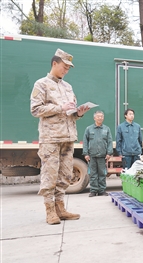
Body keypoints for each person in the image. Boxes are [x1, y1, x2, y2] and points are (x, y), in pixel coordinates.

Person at [30, 48, 90, 225]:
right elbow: (35, 110)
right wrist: (60, 108)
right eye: (64, 66)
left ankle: (60, 208)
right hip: (51, 138)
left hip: (68, 137)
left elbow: (69, 112)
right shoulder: (41, 84)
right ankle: (50, 211)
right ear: (54, 63)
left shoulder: (68, 87)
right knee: (50, 175)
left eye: (69, 68)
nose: (66, 70)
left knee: (64, 175)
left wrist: (78, 113)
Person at [83, 110, 113, 197]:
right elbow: (85, 142)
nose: (100, 118)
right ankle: (93, 190)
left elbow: (109, 142)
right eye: (98, 116)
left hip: (102, 156)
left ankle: (102, 190)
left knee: (102, 174)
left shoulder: (106, 129)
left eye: (101, 116)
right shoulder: (89, 129)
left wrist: (109, 153)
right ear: (94, 118)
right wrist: (86, 154)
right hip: (92, 155)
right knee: (93, 174)